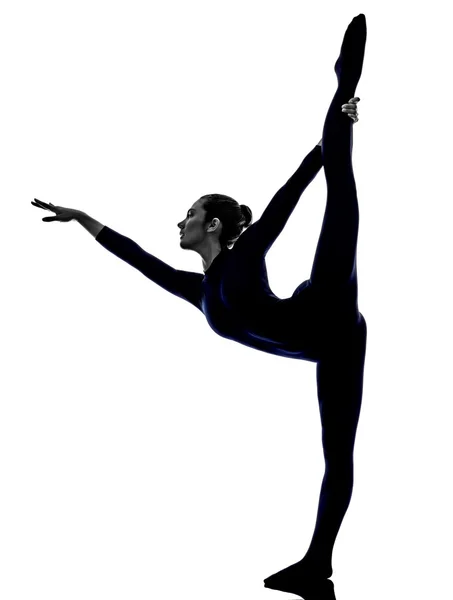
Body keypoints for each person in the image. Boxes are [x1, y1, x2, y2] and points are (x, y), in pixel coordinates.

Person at [32, 14, 367, 598]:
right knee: (336, 456)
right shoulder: (201, 292)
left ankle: (344, 89)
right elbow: (136, 258)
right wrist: (82, 217)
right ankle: (317, 570)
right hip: (330, 351)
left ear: (213, 224)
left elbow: (286, 200)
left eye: (188, 213)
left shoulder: (244, 253)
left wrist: (323, 146)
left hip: (330, 308)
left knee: (339, 178)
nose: (179, 221)